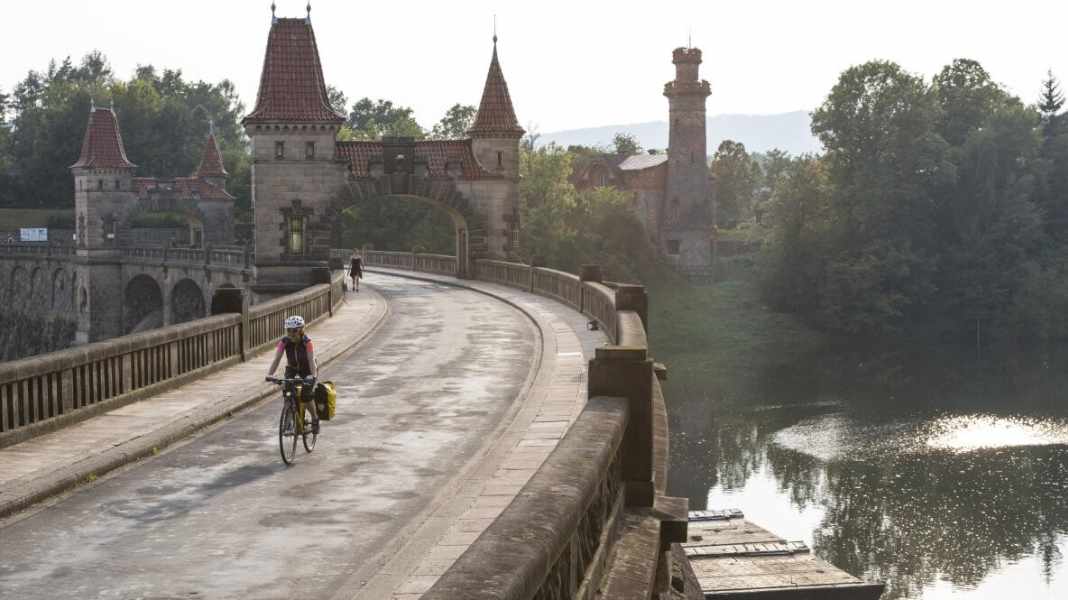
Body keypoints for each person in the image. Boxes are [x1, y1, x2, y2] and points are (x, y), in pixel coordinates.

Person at [266, 315, 320, 433]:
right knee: (288, 393)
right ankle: (289, 422)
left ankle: (315, 419)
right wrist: (270, 374)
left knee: (306, 395)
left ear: (301, 330)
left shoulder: (307, 342)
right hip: (292, 368)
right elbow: (277, 359)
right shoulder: (284, 342)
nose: (291, 333)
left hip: (307, 369)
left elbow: (311, 360)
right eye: (288, 330)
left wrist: (313, 376)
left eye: (294, 330)